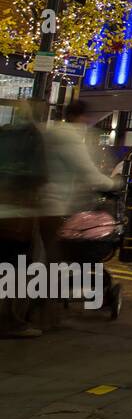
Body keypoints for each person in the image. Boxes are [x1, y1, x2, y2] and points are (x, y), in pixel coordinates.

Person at [38, 101, 118, 328]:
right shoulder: (71, 137)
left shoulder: (49, 133)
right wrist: (113, 183)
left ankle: (38, 306)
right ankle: (46, 315)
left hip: (41, 202)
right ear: (80, 116)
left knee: (44, 258)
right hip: (58, 206)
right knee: (56, 259)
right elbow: (87, 172)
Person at [0, 100, 48, 337]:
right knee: (16, 266)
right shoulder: (33, 138)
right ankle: (9, 320)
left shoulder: (4, 135)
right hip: (16, 211)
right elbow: (39, 175)